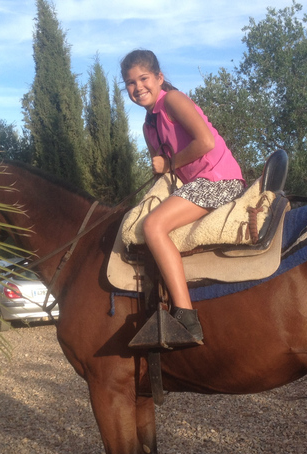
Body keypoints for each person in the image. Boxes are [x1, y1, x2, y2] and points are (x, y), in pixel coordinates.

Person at [120, 49, 245, 341]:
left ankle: (186, 317)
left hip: (219, 179)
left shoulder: (173, 100)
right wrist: (160, 167)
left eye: (144, 78)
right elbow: (163, 169)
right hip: (196, 184)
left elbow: (205, 141)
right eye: (130, 83)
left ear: (159, 78)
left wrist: (168, 163)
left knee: (153, 226)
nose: (138, 87)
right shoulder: (148, 125)